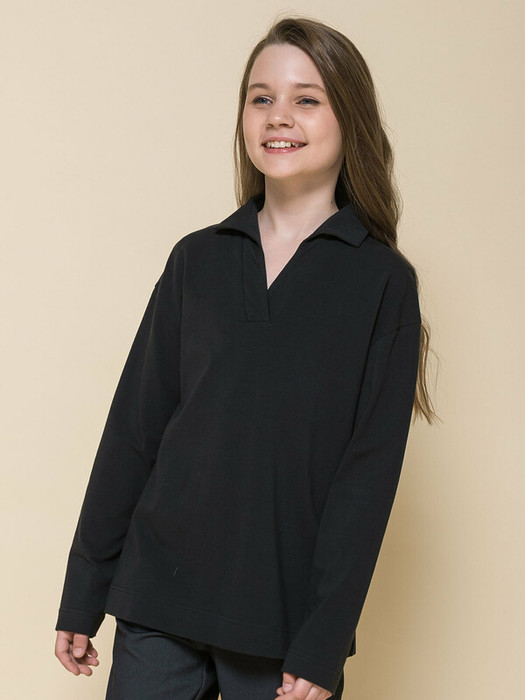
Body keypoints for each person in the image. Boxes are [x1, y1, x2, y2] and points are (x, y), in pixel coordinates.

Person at [54, 14, 438, 700]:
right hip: (157, 597)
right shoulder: (197, 260)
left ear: (349, 117)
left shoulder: (380, 283)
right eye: (261, 97)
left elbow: (367, 479)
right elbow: (133, 434)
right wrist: (84, 590)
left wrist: (324, 639)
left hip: (281, 620)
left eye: (306, 98)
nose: (277, 116)